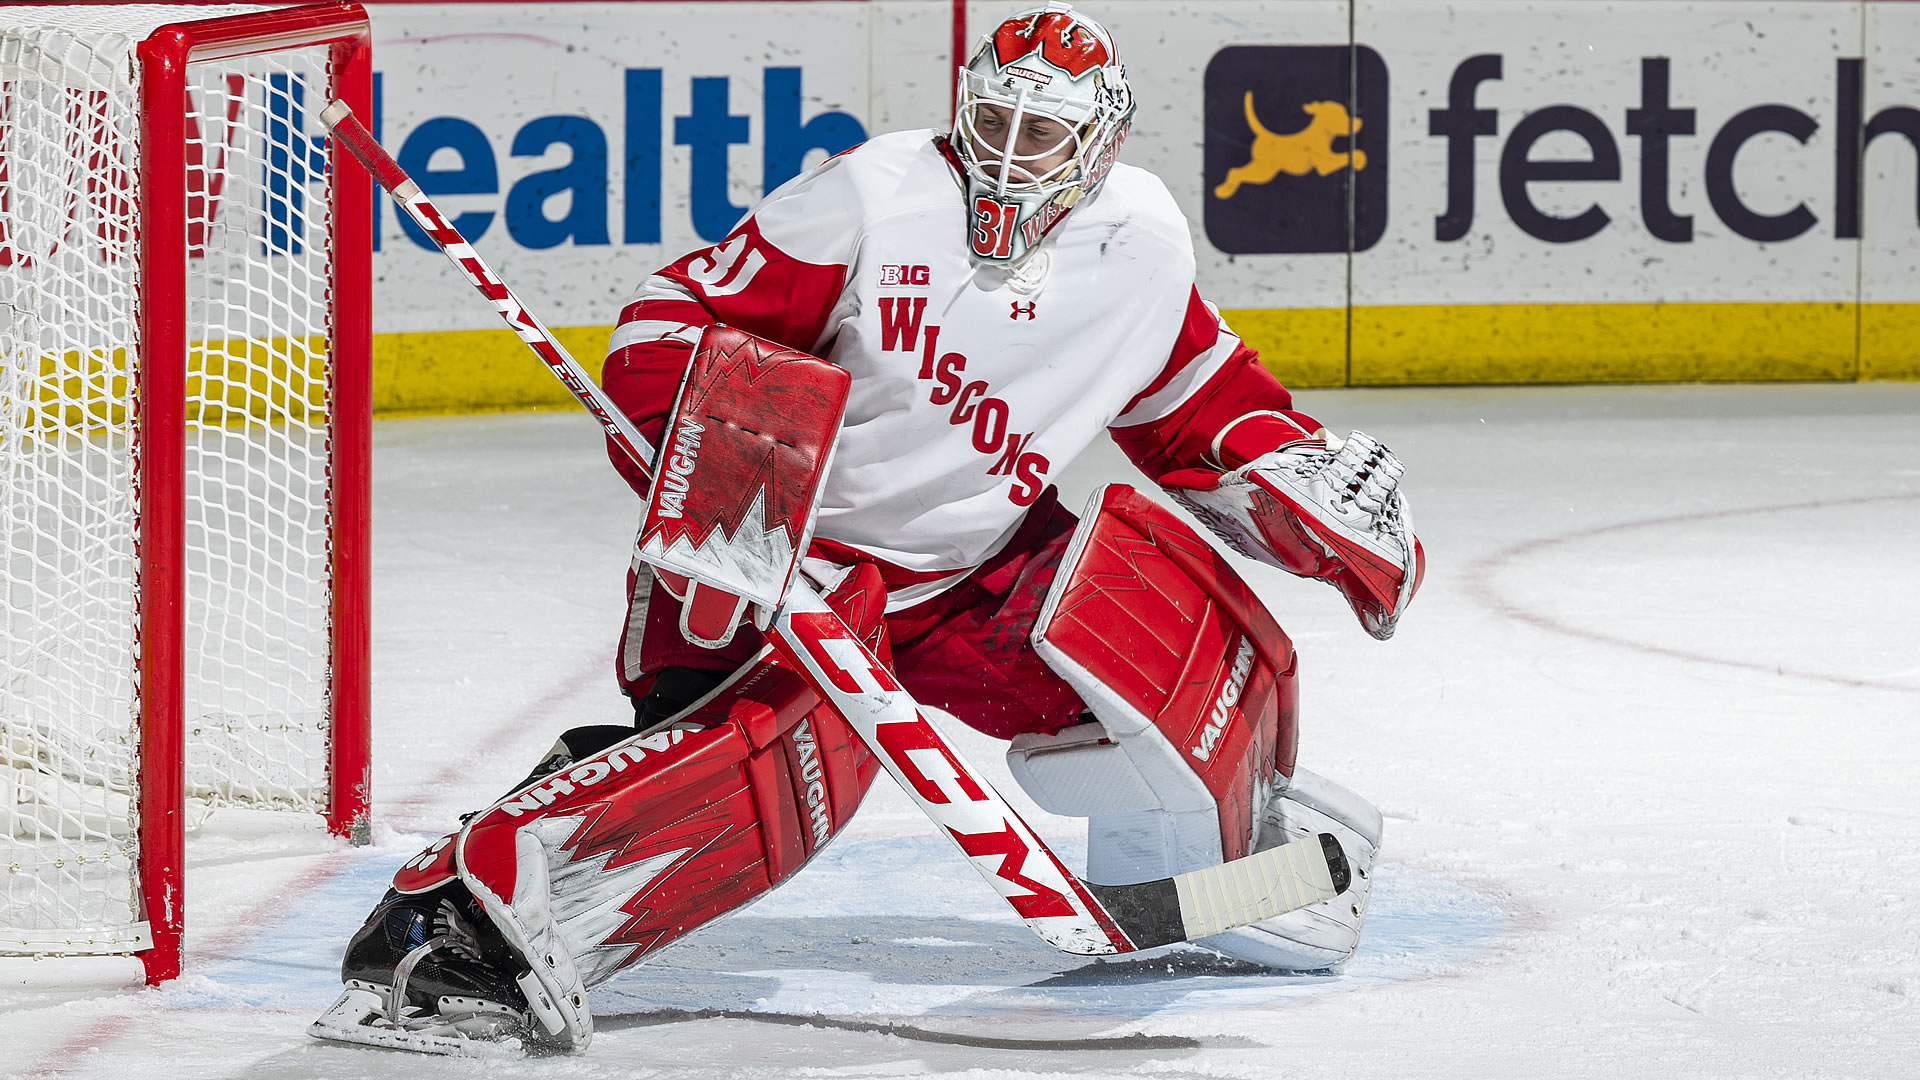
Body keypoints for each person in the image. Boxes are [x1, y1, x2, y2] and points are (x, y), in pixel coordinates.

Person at [315, 2, 1421, 1055]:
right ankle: (447, 929)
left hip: (969, 574)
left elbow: (1201, 407)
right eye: (992, 121)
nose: (1007, 154)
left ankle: (1223, 864)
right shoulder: (872, 199)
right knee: (749, 770)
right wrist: (721, 456)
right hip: (779, 559)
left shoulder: (1141, 247)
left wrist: (1306, 492)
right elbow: (666, 323)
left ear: (1102, 143)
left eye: (1042, 135)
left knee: (1155, 645)